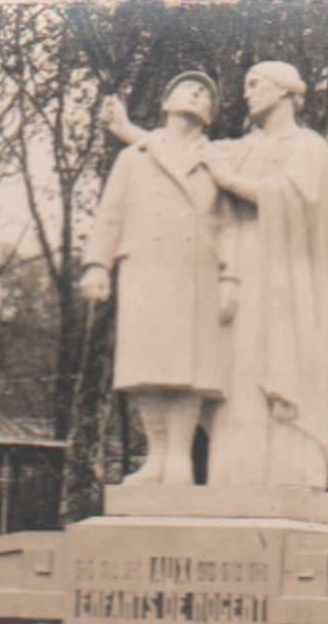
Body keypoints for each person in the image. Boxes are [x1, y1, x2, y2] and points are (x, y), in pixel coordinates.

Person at [103, 62, 328, 490]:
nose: (245, 93)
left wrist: (230, 181)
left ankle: (287, 478)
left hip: (281, 279)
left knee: (275, 368)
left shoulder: (309, 146)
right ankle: (232, 478)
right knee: (236, 375)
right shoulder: (242, 147)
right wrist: (128, 131)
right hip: (237, 275)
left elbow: (298, 197)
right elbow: (181, 155)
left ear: (285, 91)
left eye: (255, 84)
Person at [79, 72, 239, 486]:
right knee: (144, 364)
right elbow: (111, 213)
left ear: (211, 115)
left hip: (196, 270)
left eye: (206, 93)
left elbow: (231, 225)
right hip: (144, 270)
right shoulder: (134, 157)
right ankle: (157, 455)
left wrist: (231, 278)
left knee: (189, 366)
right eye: (189, 87)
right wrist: (97, 265)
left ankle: (180, 460)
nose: (199, 93)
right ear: (166, 102)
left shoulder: (219, 159)